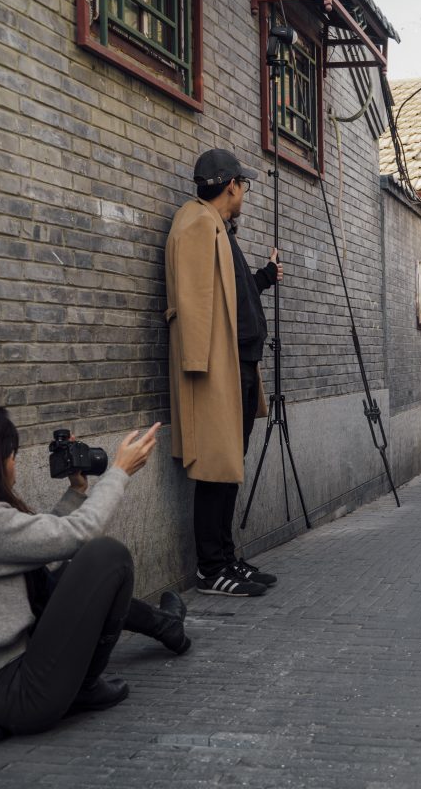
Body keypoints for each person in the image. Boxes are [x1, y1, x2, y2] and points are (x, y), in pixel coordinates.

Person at [0, 407, 161, 734]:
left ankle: (163, 627)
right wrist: (119, 472)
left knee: (65, 574)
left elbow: (38, 546)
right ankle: (85, 686)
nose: (13, 463)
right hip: (6, 697)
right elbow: (80, 534)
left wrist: (77, 490)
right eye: (11, 455)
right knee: (108, 556)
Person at [165, 148, 283, 597]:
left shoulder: (216, 226)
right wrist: (200, 366)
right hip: (218, 369)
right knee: (216, 468)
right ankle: (210, 567)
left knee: (229, 466)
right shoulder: (197, 223)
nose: (245, 194)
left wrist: (265, 277)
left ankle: (227, 557)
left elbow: (229, 293)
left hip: (239, 366)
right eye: (243, 186)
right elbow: (193, 300)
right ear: (231, 185)